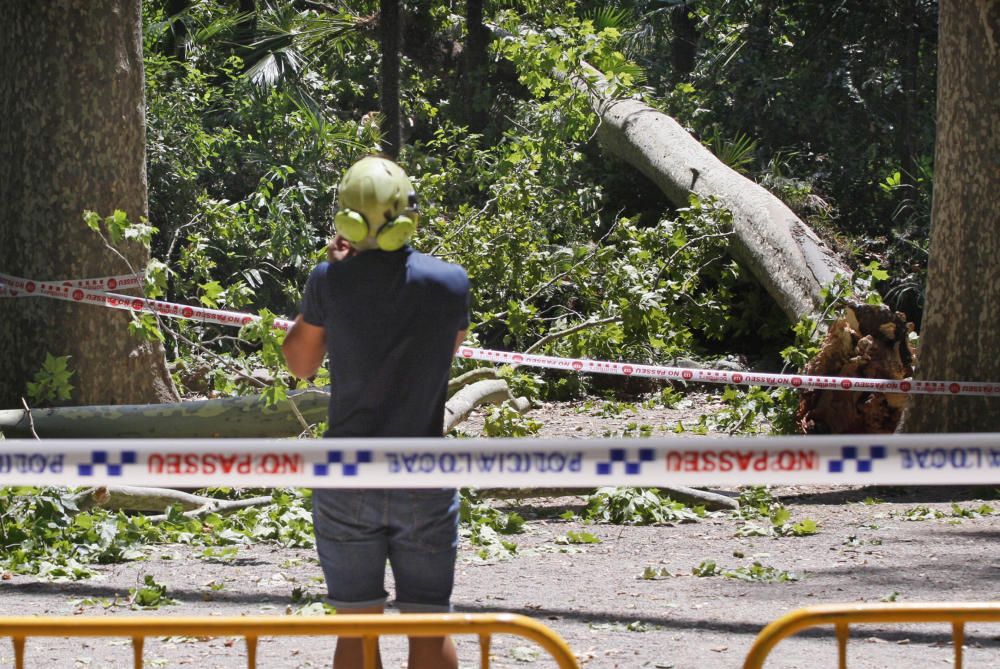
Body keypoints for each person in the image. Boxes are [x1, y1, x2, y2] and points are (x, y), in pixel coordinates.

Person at [282, 155, 469, 669]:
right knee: (429, 627)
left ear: (346, 219)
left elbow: (299, 363)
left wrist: (329, 279)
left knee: (356, 630)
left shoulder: (329, 280)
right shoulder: (450, 282)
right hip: (423, 473)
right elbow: (444, 350)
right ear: (409, 213)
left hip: (348, 476)